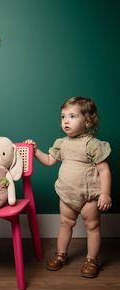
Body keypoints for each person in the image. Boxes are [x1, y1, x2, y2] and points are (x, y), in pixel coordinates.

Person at [25, 96, 112, 278]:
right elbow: (49, 161)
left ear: (87, 121)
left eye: (72, 116)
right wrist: (36, 152)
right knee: (65, 224)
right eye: (63, 117)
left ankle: (91, 259)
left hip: (89, 196)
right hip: (67, 195)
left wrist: (105, 194)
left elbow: (104, 170)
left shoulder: (93, 145)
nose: (66, 121)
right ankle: (61, 254)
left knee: (93, 226)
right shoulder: (61, 143)